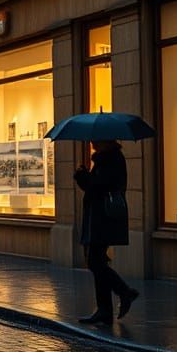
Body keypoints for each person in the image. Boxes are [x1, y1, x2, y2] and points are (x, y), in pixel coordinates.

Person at [75, 139, 139, 325]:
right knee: (97, 261)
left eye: (96, 140)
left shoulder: (111, 159)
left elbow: (98, 187)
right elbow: (98, 185)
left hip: (103, 218)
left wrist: (83, 177)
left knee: (95, 261)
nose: (92, 142)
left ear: (104, 141)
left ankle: (124, 292)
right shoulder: (106, 159)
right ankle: (105, 309)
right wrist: (87, 176)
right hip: (100, 218)